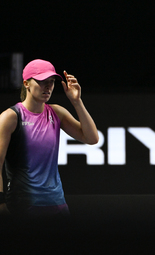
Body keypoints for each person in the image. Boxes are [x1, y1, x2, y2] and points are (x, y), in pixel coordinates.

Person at [0, 59, 99, 218]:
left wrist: (76, 101)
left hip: (57, 204)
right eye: (42, 81)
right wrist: (1, 204)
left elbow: (92, 138)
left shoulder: (57, 113)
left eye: (51, 81)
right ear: (26, 84)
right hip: (22, 205)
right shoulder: (10, 117)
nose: (48, 86)